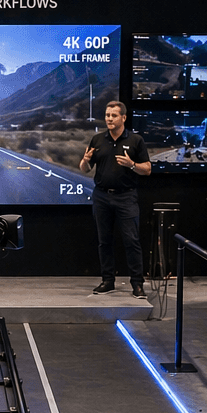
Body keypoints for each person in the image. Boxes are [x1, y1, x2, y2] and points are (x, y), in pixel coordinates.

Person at [78, 100, 150, 299]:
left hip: (126, 197)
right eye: (107, 115)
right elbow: (85, 169)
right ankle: (108, 281)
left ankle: (137, 284)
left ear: (123, 118)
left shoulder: (136, 140)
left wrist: (132, 164)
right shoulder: (97, 140)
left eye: (114, 115)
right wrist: (84, 160)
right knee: (104, 241)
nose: (109, 118)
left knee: (132, 241)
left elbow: (148, 169)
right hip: (101, 196)